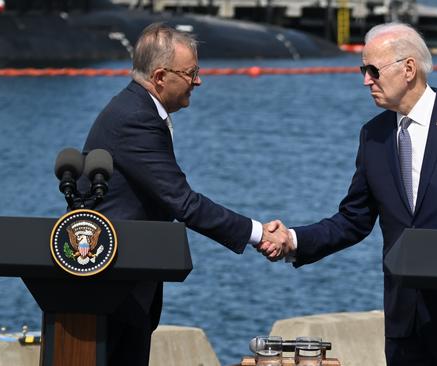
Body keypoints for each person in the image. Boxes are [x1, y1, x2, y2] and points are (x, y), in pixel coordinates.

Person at [259, 23, 437, 365]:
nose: (366, 80)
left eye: (373, 70)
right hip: (404, 320)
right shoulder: (373, 136)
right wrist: (292, 239)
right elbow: (353, 219)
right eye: (363, 70)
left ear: (408, 69)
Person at [81, 22, 288, 365]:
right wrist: (258, 233)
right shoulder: (136, 118)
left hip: (124, 282)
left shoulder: (138, 108)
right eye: (192, 73)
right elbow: (183, 202)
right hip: (115, 285)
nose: (199, 81)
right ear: (161, 76)